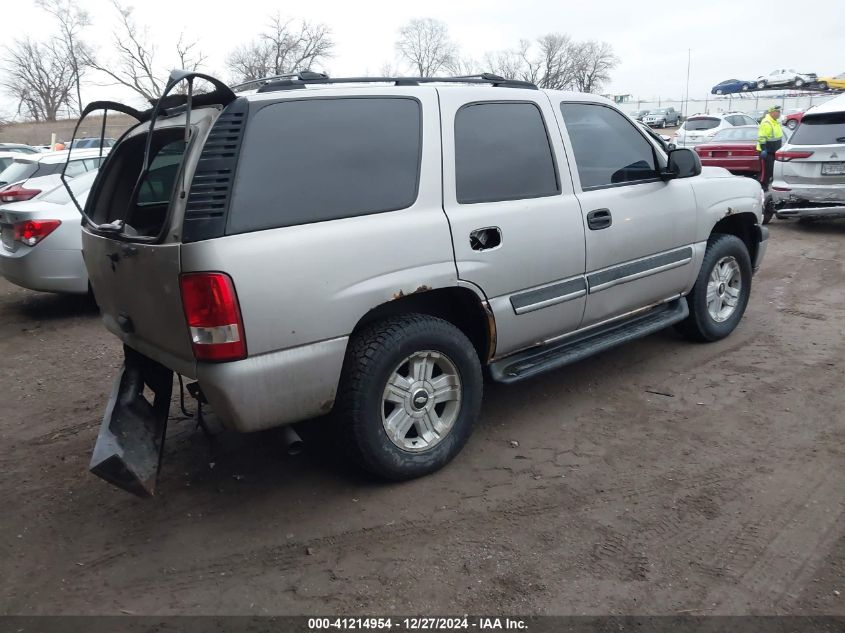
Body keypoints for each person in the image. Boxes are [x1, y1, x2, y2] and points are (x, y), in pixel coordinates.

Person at [757, 105, 783, 191]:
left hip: (774, 151)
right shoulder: (766, 122)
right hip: (766, 151)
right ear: (772, 112)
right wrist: (764, 149)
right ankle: (762, 188)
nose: (779, 113)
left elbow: (778, 137)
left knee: (772, 171)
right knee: (766, 171)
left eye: (779, 112)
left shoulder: (775, 122)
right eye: (777, 112)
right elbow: (762, 137)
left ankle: (768, 186)